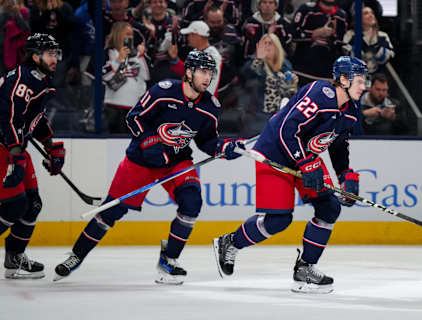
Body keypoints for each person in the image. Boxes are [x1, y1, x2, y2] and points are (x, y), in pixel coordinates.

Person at [54, 50, 246, 284]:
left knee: (191, 202)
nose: (208, 78)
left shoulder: (210, 106)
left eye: (211, 73)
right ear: (188, 72)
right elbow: (134, 118)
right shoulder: (163, 91)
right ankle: (76, 255)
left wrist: (224, 148)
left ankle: (169, 260)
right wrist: (150, 142)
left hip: (176, 161)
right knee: (111, 212)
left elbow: (207, 141)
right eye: (203, 72)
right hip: (141, 160)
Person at [213, 56, 367, 293]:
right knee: (279, 220)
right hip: (275, 152)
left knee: (329, 208)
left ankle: (305, 268)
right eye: (359, 80)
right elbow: (287, 129)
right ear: (343, 79)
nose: (363, 86)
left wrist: (345, 173)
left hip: (305, 157)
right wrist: (306, 163)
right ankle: (230, 242)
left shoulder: (352, 109)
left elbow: (337, 144)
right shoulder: (320, 93)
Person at [0, 33, 65, 279]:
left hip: (14, 148)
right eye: (50, 54)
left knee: (32, 204)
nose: (55, 58)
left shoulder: (41, 81)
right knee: (15, 205)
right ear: (35, 56)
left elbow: (33, 120)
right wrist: (16, 155)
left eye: (55, 53)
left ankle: (14, 258)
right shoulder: (20, 80)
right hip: (4, 148)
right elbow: (8, 118)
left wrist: (51, 145)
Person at [86, 21, 150, 133]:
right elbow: (104, 77)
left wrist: (141, 56)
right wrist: (118, 59)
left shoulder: (137, 55)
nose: (129, 37)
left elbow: (147, 76)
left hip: (136, 109)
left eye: (131, 35)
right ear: (117, 34)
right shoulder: (107, 53)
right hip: (114, 109)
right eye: (126, 34)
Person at [241, 33, 297, 136]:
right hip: (258, 115)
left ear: (276, 47)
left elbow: (290, 86)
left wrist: (293, 81)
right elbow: (246, 73)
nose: (266, 46)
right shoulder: (256, 63)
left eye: (270, 43)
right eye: (264, 43)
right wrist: (258, 59)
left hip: (280, 114)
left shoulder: (285, 64)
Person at [290, 0, 348, 86]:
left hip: (327, 77)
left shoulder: (341, 15)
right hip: (302, 72)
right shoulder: (306, 9)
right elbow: (292, 34)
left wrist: (333, 39)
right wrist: (314, 34)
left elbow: (340, 46)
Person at [168, 20, 222, 97]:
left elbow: (208, 86)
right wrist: (175, 60)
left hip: (202, 104)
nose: (188, 38)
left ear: (197, 36)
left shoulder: (212, 56)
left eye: (189, 35)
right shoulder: (197, 51)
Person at [342, 6, 394, 75]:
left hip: (376, 76)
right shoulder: (350, 35)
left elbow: (385, 58)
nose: (371, 15)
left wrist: (375, 47)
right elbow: (347, 56)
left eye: (372, 13)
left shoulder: (382, 36)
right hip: (355, 77)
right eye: (366, 13)